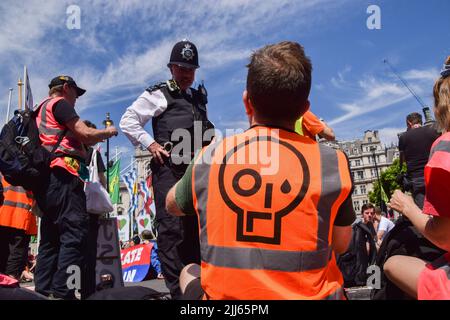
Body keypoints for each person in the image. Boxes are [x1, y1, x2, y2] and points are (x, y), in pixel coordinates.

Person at [166, 41, 355, 300]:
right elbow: (342, 244)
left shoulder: (211, 155)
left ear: (247, 102)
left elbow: (172, 205)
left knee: (189, 270)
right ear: (304, 110)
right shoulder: (333, 163)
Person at [120, 40, 214, 299]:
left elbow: (206, 131)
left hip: (195, 172)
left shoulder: (198, 98)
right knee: (172, 230)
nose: (187, 74)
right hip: (169, 171)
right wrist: (150, 144)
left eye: (191, 69)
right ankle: (177, 292)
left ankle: (196, 288)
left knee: (195, 230)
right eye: (182, 68)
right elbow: (128, 120)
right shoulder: (159, 93)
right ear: (172, 68)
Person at [33, 75, 118, 300]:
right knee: (75, 235)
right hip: (63, 177)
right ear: (66, 88)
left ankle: (42, 291)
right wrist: (108, 132)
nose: (76, 100)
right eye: (76, 94)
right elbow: (85, 133)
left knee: (50, 239)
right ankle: (64, 291)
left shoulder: (39, 109)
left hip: (45, 181)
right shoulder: (59, 105)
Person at [384, 57, 450, 300]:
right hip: (433, 177)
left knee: (394, 262)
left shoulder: (442, 146)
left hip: (424, 181)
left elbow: (445, 236)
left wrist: (408, 206)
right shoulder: (432, 132)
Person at [78, 120, 108, 299]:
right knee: (90, 252)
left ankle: (68, 287)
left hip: (74, 204)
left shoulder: (69, 149)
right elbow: (102, 179)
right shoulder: (93, 154)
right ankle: (88, 290)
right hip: (91, 209)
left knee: (74, 248)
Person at [398, 112, 440, 208]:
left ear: (409, 123)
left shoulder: (403, 137)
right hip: (434, 175)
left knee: (424, 212)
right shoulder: (433, 131)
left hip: (416, 180)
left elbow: (403, 159)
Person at [0, 176, 37, 281]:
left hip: (3, 212)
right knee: (16, 255)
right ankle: (9, 284)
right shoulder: (28, 161)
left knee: (4, 255)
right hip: (21, 214)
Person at [337, 203, 377, 288]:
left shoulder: (370, 225)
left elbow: (374, 242)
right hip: (355, 268)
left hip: (365, 264)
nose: (369, 215)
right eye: (367, 213)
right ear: (362, 214)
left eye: (372, 213)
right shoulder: (357, 227)